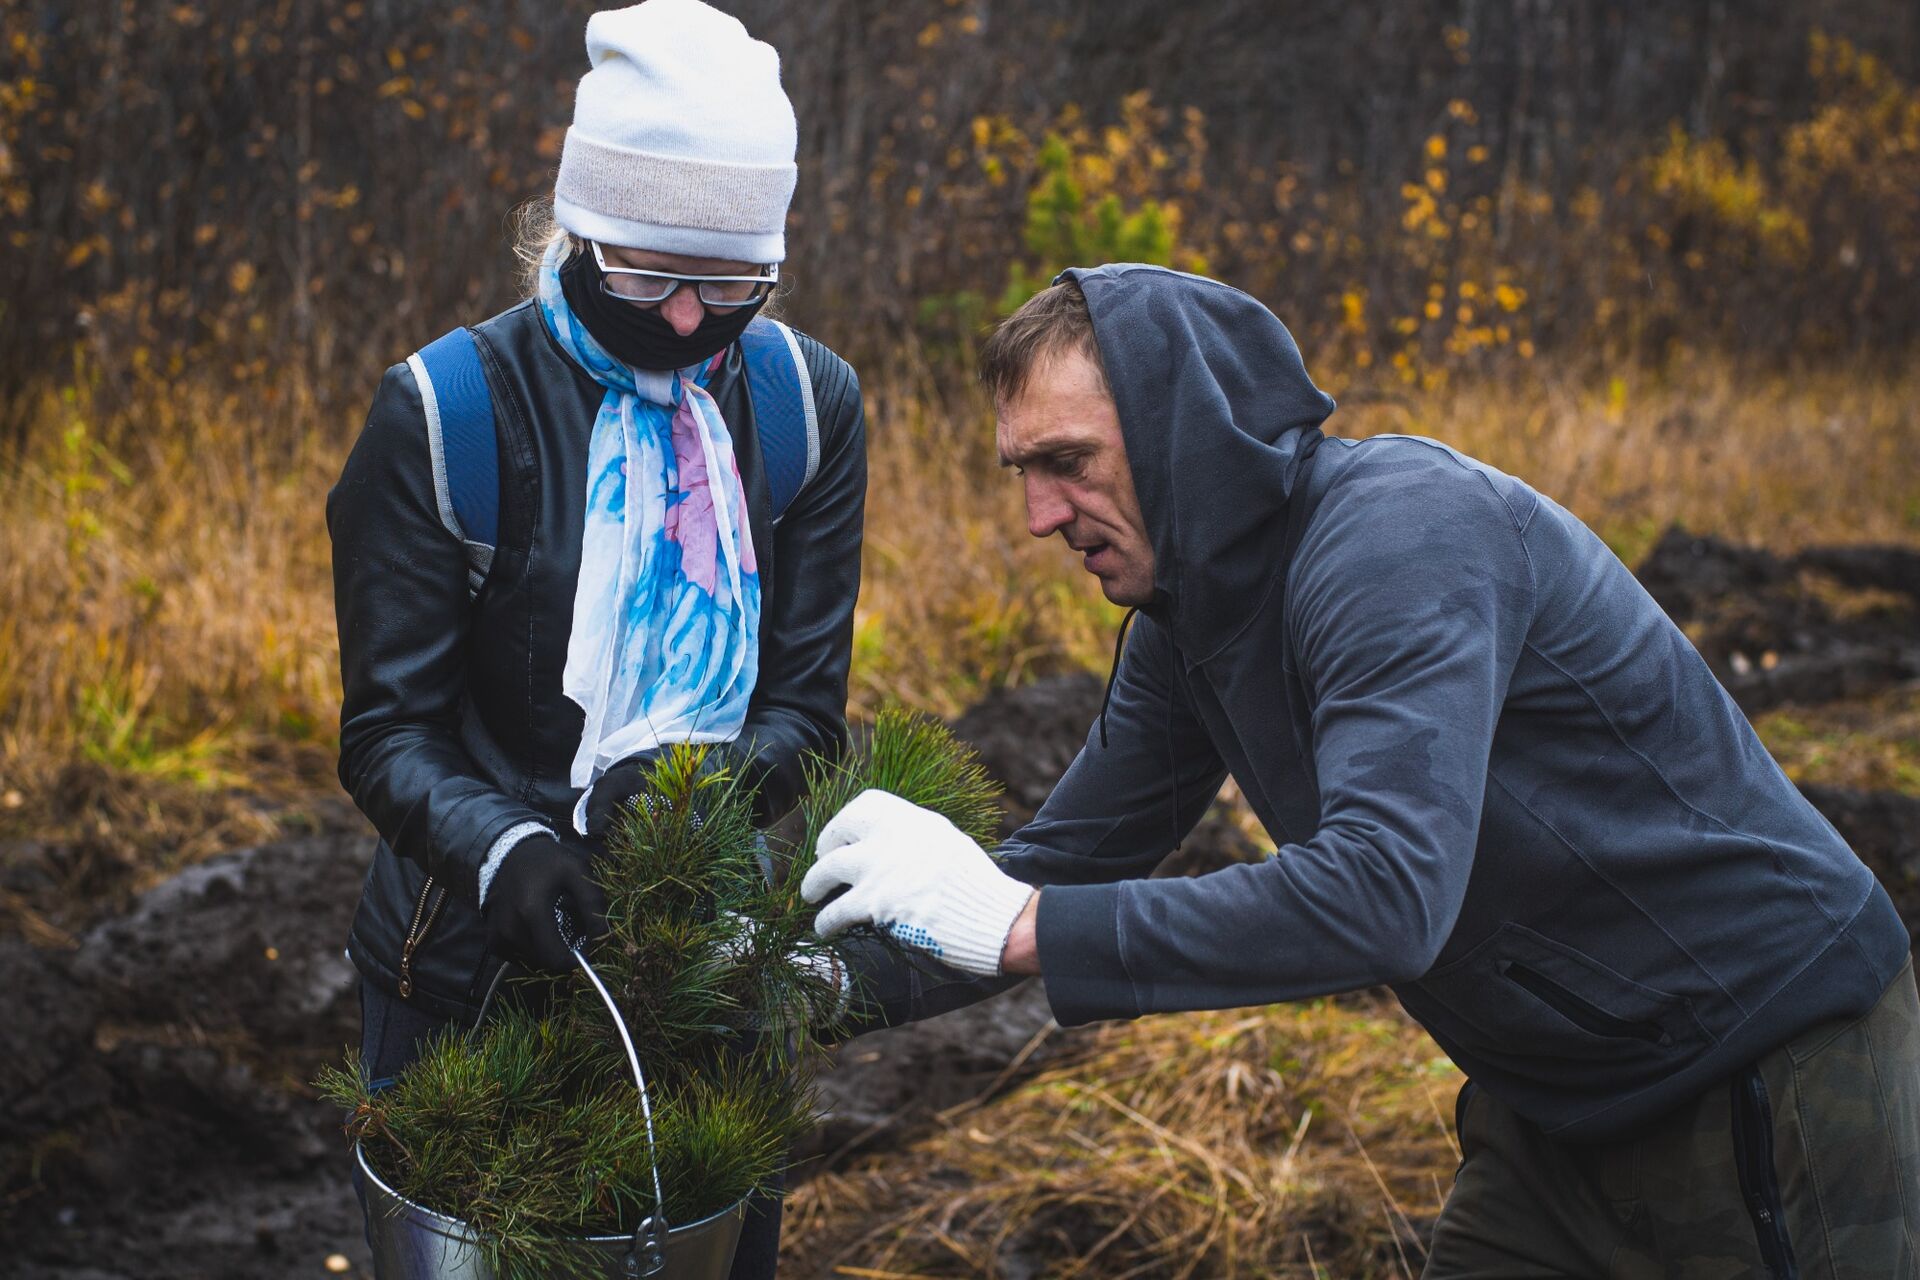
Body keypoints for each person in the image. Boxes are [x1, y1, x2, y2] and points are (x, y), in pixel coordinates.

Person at [803, 264, 1919, 1277]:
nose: (1040, 515)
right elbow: (1070, 853)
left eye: (1068, 464)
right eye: (1022, 472)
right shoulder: (1183, 616)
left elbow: (1387, 893)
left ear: (1183, 431)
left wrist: (1026, 923)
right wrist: (810, 989)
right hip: (1552, 1106)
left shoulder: (1400, 539)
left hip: (1763, 1060)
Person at [327, 2, 865, 1272]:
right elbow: (386, 729)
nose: (686, 318)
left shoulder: (805, 407)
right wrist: (503, 843)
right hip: (464, 963)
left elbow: (807, 706)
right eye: (646, 270)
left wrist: (701, 788)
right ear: (577, 226)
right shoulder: (446, 416)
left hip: (706, 958)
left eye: (731, 279)